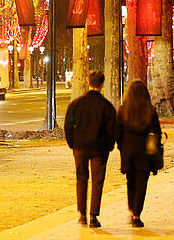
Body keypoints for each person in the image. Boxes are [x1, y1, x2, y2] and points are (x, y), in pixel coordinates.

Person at [64, 69, 116, 228]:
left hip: (80, 147)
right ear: (102, 84)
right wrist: (108, 145)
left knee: (81, 178)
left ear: (88, 83)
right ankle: (93, 215)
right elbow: (111, 129)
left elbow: (68, 126)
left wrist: (73, 143)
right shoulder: (106, 106)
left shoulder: (76, 104)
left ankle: (81, 214)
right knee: (97, 180)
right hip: (99, 149)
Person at [116, 80, 161, 228]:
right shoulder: (150, 111)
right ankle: (137, 214)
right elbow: (157, 132)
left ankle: (131, 208)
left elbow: (118, 133)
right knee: (142, 183)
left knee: (131, 182)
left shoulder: (123, 111)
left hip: (128, 152)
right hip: (145, 152)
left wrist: (121, 146)